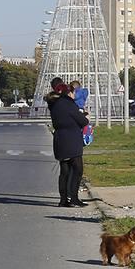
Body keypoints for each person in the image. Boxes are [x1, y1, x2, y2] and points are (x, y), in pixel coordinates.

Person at [46, 77, 88, 207]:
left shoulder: (53, 104)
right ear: (68, 93)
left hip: (60, 140)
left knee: (64, 171)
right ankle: (74, 198)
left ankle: (63, 200)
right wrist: (85, 116)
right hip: (71, 140)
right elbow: (82, 121)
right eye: (73, 92)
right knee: (77, 169)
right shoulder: (69, 104)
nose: (75, 95)